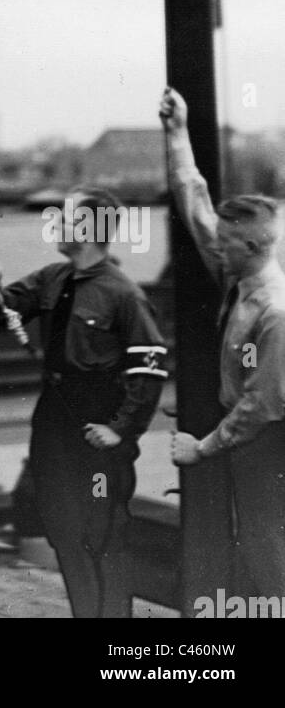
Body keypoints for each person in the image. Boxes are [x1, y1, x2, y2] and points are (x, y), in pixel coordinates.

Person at [0, 187, 167, 618]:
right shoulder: (52, 278)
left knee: (102, 535)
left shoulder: (123, 295)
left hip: (96, 419)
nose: (56, 225)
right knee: (63, 530)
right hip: (54, 420)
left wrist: (120, 428)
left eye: (65, 218)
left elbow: (150, 368)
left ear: (91, 228)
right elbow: (0, 313)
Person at [160, 86, 285, 597]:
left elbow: (262, 403)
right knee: (256, 542)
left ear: (252, 247)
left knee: (266, 544)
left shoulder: (274, 312)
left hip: (268, 443)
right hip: (252, 442)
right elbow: (195, 202)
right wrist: (177, 133)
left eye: (227, 243)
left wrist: (202, 449)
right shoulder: (240, 275)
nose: (216, 247)